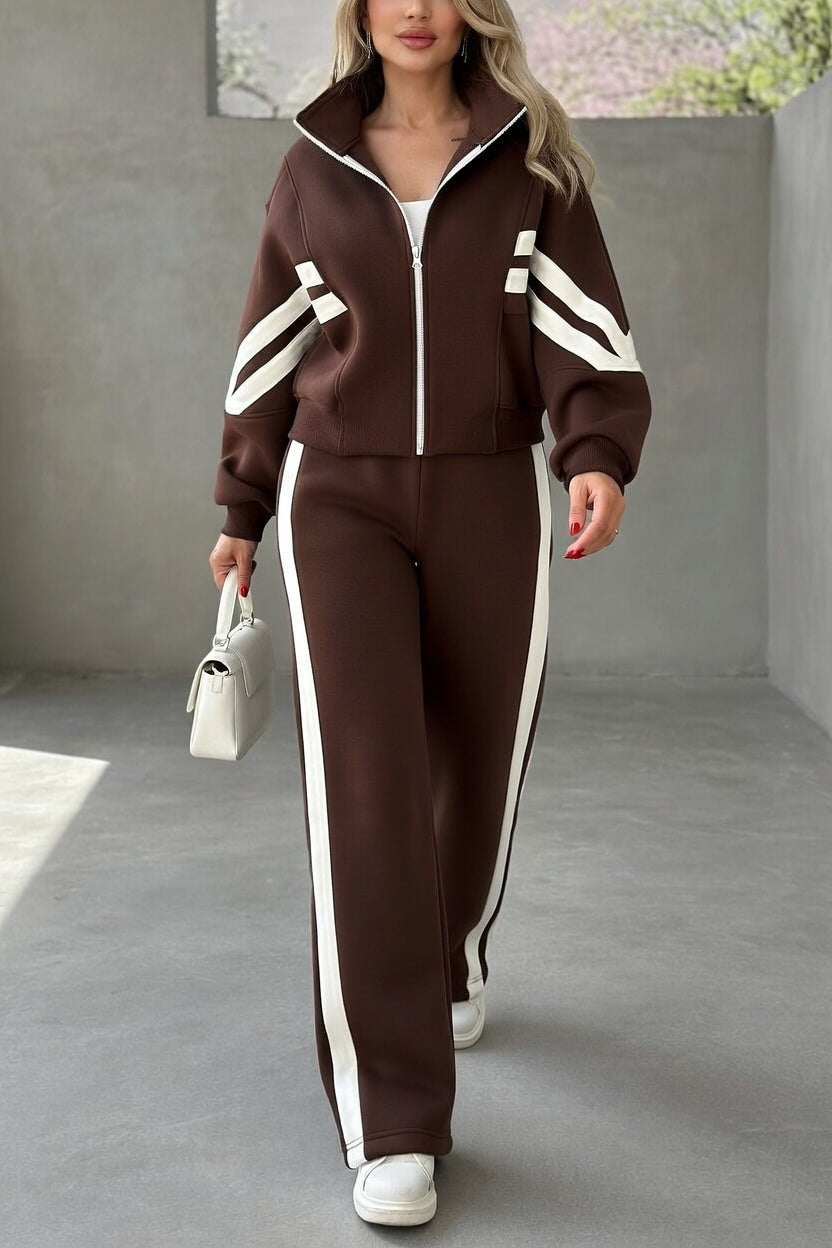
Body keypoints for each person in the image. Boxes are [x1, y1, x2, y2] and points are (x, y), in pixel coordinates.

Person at [208, 0, 652, 1227]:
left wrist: (595, 453)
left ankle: (449, 950)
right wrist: (242, 506)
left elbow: (584, 328)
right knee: (366, 789)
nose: (414, 7)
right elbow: (268, 344)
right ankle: (393, 1119)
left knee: (477, 764)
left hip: (490, 491)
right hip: (337, 498)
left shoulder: (532, 163)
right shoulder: (311, 165)